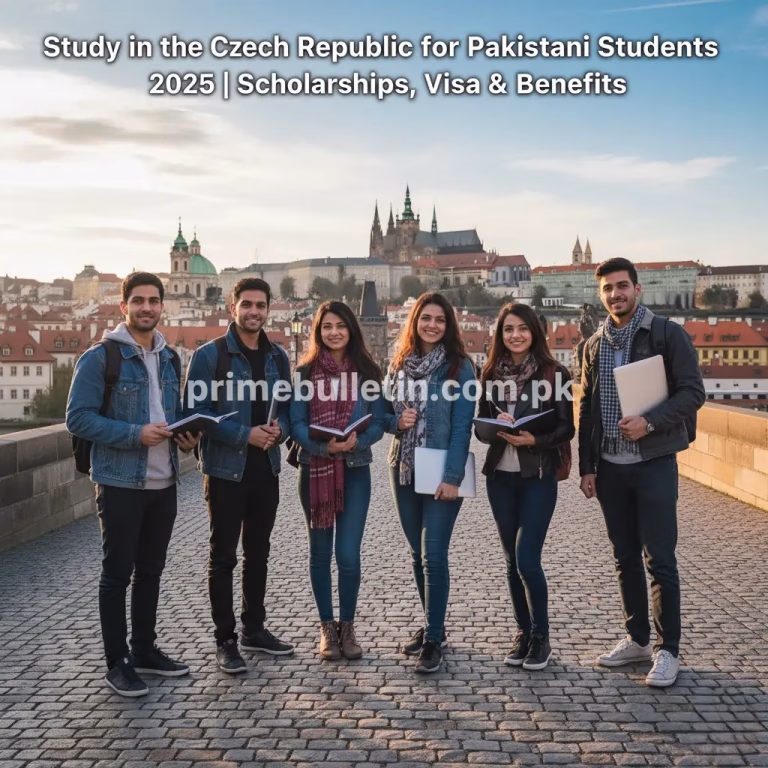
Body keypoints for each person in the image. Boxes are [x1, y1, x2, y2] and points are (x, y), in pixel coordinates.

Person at [66, 272, 200, 697]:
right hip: (121, 481)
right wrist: (134, 434)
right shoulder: (100, 357)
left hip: (164, 481)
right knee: (117, 573)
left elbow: (170, 411)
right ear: (124, 306)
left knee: (151, 572)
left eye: (154, 301)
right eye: (138, 300)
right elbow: (78, 418)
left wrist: (186, 435)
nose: (147, 307)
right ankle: (117, 662)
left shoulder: (170, 357)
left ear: (163, 306)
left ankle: (144, 650)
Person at [579, 257, 705, 687]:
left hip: (653, 462)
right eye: (608, 289)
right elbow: (587, 408)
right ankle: (637, 640)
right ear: (601, 296)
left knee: (661, 559)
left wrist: (649, 422)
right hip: (611, 467)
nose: (615, 294)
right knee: (624, 557)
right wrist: (587, 466)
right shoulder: (594, 344)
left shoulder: (667, 333)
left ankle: (669, 650)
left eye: (622, 286)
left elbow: (693, 393)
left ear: (637, 289)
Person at [184, 278, 293, 674]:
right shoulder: (210, 356)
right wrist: (245, 434)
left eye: (260, 305)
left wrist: (282, 428)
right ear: (233, 307)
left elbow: (288, 408)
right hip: (226, 471)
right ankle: (225, 639)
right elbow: (195, 415)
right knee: (224, 556)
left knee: (259, 553)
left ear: (269, 309)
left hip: (266, 468)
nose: (254, 311)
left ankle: (254, 628)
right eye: (246, 304)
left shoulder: (278, 357)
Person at [477, 303, 574, 671]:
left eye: (522, 328)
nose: (515, 335)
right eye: (507, 330)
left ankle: (541, 636)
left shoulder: (555, 373)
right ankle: (522, 632)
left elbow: (567, 428)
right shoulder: (489, 374)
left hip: (537, 476)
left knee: (527, 559)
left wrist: (533, 439)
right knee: (510, 561)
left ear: (535, 331)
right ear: (499, 335)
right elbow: (479, 428)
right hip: (500, 477)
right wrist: (494, 424)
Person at [290, 301, 386, 660]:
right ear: (318, 331)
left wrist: (360, 440)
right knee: (319, 553)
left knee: (347, 554)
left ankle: (348, 627)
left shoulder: (367, 371)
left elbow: (378, 421)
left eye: (341, 326)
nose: (334, 332)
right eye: (327, 326)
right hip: (314, 467)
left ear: (351, 330)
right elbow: (297, 423)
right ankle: (326, 628)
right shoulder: (303, 374)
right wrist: (323, 445)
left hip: (357, 466)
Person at [384, 292, 475, 673]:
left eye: (440, 319)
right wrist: (395, 422)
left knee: (433, 554)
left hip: (440, 469)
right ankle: (430, 625)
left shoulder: (460, 368)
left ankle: (434, 639)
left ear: (448, 324)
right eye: (426, 318)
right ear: (414, 321)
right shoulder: (399, 363)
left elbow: (461, 427)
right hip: (402, 468)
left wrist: (452, 477)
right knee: (417, 556)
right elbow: (382, 412)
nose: (432, 325)